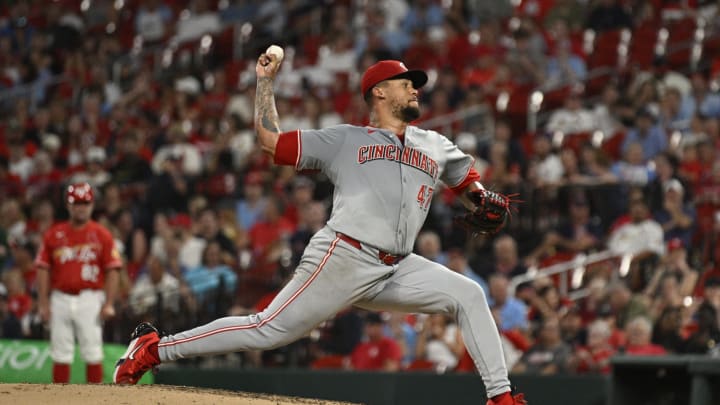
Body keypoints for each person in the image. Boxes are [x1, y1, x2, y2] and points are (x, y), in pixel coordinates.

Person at [113, 55, 526, 405]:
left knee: (469, 294)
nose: (415, 89)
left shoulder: (434, 144)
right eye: (405, 84)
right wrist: (264, 84)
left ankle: (501, 397)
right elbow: (270, 141)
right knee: (266, 331)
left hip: (396, 267)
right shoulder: (344, 139)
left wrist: (480, 197)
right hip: (343, 255)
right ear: (379, 92)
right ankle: (154, 348)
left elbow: (466, 180)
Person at [35, 182, 122, 383]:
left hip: (90, 298)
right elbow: (42, 269)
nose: (81, 207)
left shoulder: (102, 234)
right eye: (76, 203)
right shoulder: (54, 233)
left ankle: (93, 401)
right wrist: (43, 303)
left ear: (92, 205)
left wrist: (109, 303)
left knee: (92, 350)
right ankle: (60, 399)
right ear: (68, 205)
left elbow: (113, 270)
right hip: (60, 298)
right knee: (60, 352)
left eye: (85, 203)